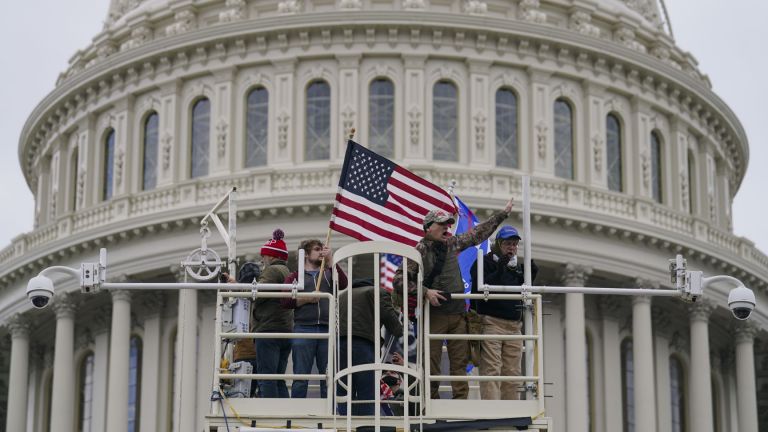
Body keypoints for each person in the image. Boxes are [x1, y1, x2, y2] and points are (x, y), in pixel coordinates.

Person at [392, 198, 514, 400]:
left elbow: (477, 234)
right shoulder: (418, 251)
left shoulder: (451, 243)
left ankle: (460, 403)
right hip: (435, 316)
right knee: (431, 363)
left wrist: (503, 214)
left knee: (460, 362)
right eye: (441, 224)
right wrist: (425, 292)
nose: (447, 227)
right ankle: (431, 405)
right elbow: (398, 280)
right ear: (428, 228)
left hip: (458, 315)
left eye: (448, 223)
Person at [470, 225, 538, 400]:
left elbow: (519, 291)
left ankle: (510, 411)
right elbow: (478, 292)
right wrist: (500, 269)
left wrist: (529, 274)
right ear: (499, 244)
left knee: (512, 372)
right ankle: (492, 411)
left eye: (515, 244)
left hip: (514, 326)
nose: (512, 248)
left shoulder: (515, 268)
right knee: (492, 369)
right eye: (508, 243)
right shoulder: (484, 262)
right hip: (491, 323)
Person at [281, 239, 348, 398]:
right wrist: (306, 299)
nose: (321, 252)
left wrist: (331, 260)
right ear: (305, 254)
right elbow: (284, 301)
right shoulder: (295, 277)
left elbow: (343, 284)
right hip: (304, 328)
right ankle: (298, 413)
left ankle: (329, 411)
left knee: (328, 375)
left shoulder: (328, 274)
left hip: (327, 328)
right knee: (301, 376)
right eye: (317, 249)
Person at [337, 279, 403, 415]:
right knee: (367, 390)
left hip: (340, 345)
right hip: (364, 344)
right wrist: (399, 328)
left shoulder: (342, 295)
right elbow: (389, 318)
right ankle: (367, 425)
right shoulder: (377, 292)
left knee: (343, 389)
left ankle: (343, 424)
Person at [253, 229, 293, 398]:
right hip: (285, 330)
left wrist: (243, 287)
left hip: (268, 330)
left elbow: (258, 294)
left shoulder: (271, 271)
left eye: (264, 256)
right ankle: (284, 412)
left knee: (266, 377)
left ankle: (268, 411)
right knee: (278, 378)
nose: (262, 260)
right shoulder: (288, 273)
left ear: (270, 256)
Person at [228, 262, 262, 397]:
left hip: (243, 355)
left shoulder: (239, 301)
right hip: (260, 353)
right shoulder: (263, 297)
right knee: (263, 393)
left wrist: (236, 286)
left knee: (242, 396)